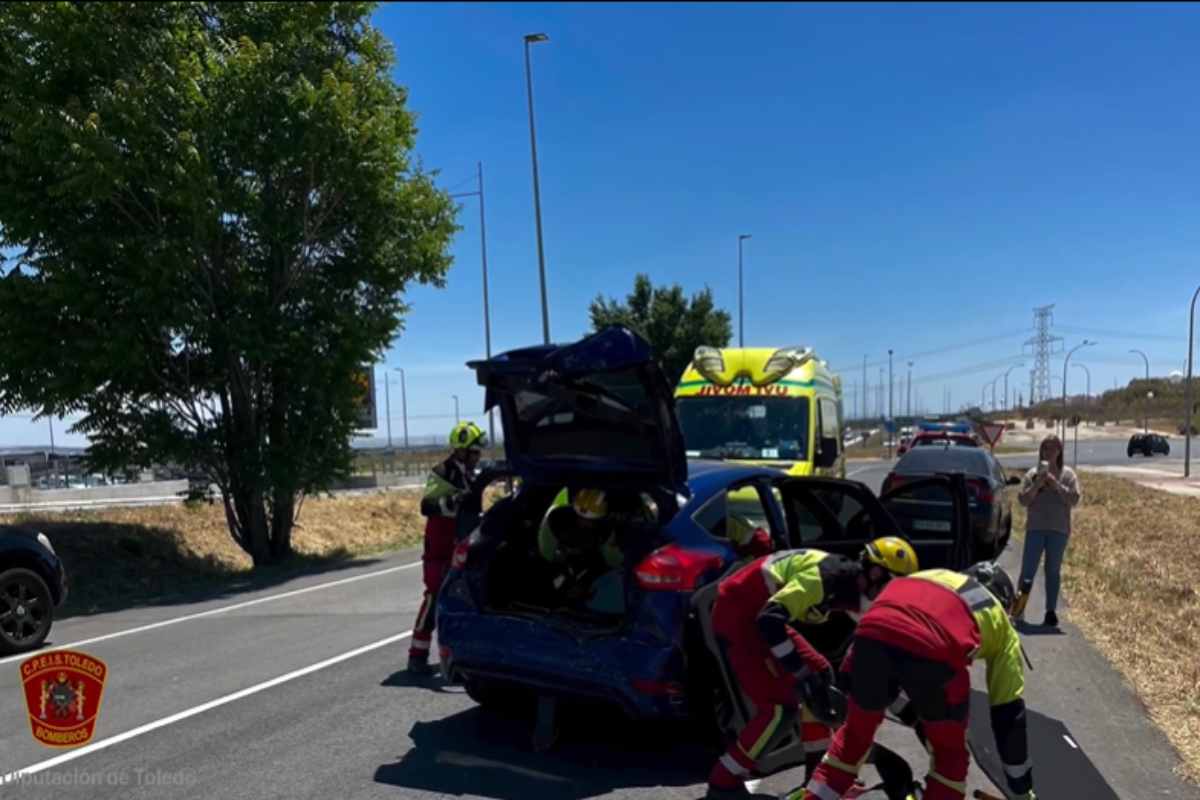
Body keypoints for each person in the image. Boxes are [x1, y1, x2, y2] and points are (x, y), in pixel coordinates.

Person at [705, 537, 919, 800]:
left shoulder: (858, 591)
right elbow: (769, 620)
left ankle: (817, 776)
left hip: (760, 615)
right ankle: (723, 781)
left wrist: (909, 710)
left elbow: (873, 660)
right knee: (779, 711)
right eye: (894, 585)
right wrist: (798, 672)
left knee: (821, 675)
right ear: (875, 573)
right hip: (738, 615)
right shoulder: (824, 578)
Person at [799, 562, 1035, 800]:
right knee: (949, 759)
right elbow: (1008, 715)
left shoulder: (931, 574)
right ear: (1004, 601)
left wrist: (850, 683)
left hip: (870, 635)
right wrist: (1022, 790)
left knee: (853, 740)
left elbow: (887, 630)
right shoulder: (1000, 622)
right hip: (935, 650)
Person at [406, 421, 485, 675]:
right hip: (439, 547)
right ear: (462, 450)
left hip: (460, 546)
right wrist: (454, 501)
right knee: (434, 597)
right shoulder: (442, 472)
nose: (478, 456)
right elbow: (426, 506)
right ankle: (417, 655)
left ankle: (462, 656)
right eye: (474, 451)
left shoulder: (471, 475)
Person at [1014, 434, 1081, 628]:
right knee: (1028, 571)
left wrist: (1056, 485)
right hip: (1035, 529)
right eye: (1045, 448)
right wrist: (1037, 485)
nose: (1049, 452)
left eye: (1053, 448)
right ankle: (1018, 611)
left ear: (1059, 452)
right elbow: (1023, 500)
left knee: (1053, 571)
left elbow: (1074, 499)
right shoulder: (1032, 474)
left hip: (1058, 530)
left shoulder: (1068, 475)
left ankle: (1050, 612)